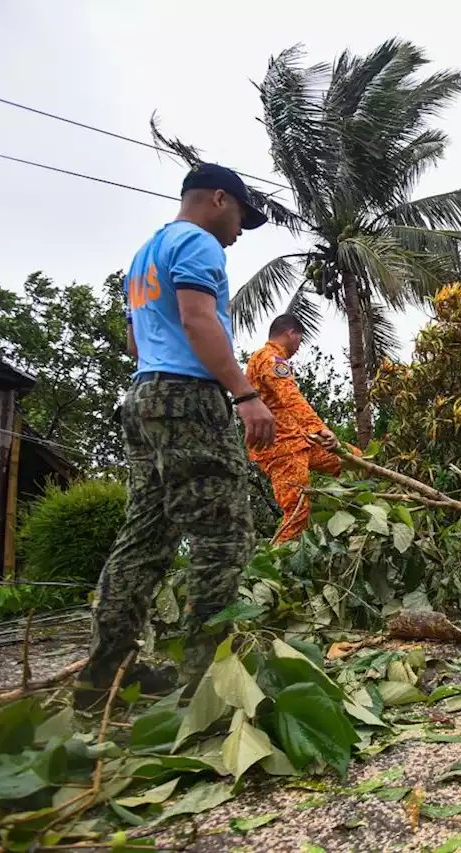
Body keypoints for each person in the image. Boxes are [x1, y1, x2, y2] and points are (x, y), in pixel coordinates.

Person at [76, 163, 274, 704]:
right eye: (239, 219)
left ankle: (105, 678)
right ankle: (207, 682)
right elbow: (197, 319)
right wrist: (245, 393)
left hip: (143, 397)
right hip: (189, 397)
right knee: (222, 536)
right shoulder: (199, 243)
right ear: (217, 199)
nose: (236, 234)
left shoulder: (144, 256)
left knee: (144, 538)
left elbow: (139, 341)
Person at [247, 314, 356, 543]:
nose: (298, 346)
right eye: (299, 340)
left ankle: (354, 521)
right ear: (291, 333)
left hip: (300, 442)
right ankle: (277, 568)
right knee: (297, 512)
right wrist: (320, 429)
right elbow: (291, 398)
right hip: (282, 448)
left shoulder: (269, 359)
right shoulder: (269, 358)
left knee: (355, 460)